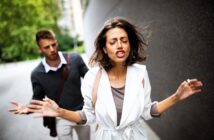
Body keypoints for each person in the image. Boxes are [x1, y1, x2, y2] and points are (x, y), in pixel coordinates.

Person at [26, 17, 203, 140]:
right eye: (113, 42)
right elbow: (87, 116)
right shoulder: (92, 77)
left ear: (130, 44)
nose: (119, 46)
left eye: (124, 40)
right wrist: (60, 112)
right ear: (104, 48)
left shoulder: (141, 73)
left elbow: (147, 111)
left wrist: (177, 96)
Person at [9, 29, 91, 140]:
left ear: (56, 42)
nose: (52, 49)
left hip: (81, 112)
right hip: (59, 116)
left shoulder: (75, 59)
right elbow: (38, 98)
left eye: (53, 44)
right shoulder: (37, 73)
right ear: (39, 49)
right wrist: (28, 108)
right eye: (47, 47)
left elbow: (91, 80)